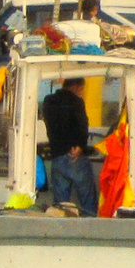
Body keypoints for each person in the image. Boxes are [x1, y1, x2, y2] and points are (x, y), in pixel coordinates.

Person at [41, 76, 97, 215]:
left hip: (57, 154)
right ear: (75, 86)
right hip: (74, 155)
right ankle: (90, 226)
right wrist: (81, 146)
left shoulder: (48, 101)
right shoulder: (76, 102)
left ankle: (61, 227)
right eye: (81, 88)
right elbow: (82, 125)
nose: (82, 92)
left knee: (61, 203)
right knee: (87, 197)